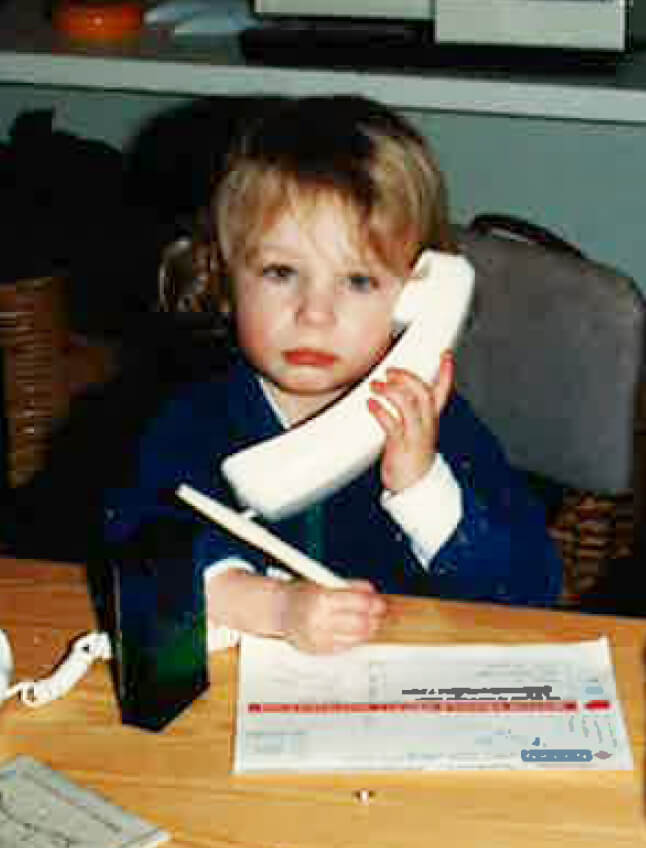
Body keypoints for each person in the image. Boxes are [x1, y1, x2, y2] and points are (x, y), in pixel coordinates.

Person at [105, 95, 562, 655]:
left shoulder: (436, 428)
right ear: (221, 281)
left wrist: (422, 488)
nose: (314, 313)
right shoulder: (195, 420)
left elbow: (531, 593)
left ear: (419, 297)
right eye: (280, 272)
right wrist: (276, 608)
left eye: (359, 281)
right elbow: (139, 555)